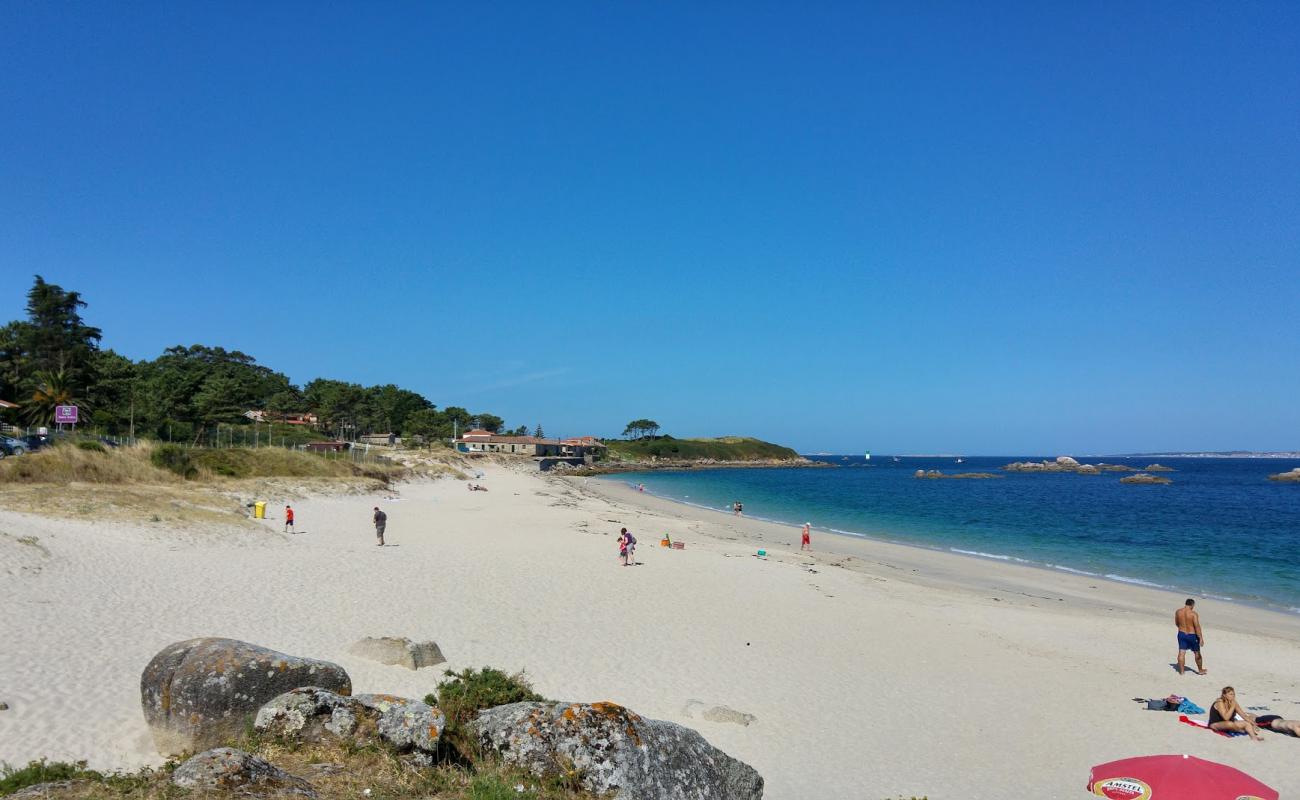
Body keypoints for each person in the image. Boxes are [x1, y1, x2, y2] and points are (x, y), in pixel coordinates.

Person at [1175, 598, 1206, 675]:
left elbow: (1177, 623)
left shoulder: (1178, 612)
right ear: (1192, 605)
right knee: (1197, 653)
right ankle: (1200, 670)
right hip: (1192, 635)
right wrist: (1201, 638)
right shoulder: (1193, 614)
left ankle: (1182, 672)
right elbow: (1197, 627)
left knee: (1181, 652)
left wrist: (1182, 628)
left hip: (1181, 634)